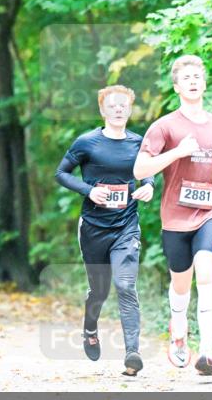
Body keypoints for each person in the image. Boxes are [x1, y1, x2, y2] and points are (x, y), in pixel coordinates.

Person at [133, 55, 212, 375]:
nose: (193, 81)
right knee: (182, 282)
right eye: (186, 77)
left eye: (197, 76)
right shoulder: (164, 126)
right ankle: (178, 329)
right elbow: (140, 169)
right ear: (177, 87)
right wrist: (177, 151)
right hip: (175, 217)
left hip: (211, 211)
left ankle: (206, 352)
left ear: (204, 83)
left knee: (206, 273)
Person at [55, 85, 154, 376]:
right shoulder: (87, 142)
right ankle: (90, 327)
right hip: (94, 228)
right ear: (103, 110)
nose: (118, 109)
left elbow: (148, 173)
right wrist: (89, 191)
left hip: (126, 226)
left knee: (125, 286)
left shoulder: (138, 143)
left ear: (130, 109)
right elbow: (61, 173)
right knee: (99, 291)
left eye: (123, 105)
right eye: (112, 105)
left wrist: (148, 186)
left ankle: (132, 354)